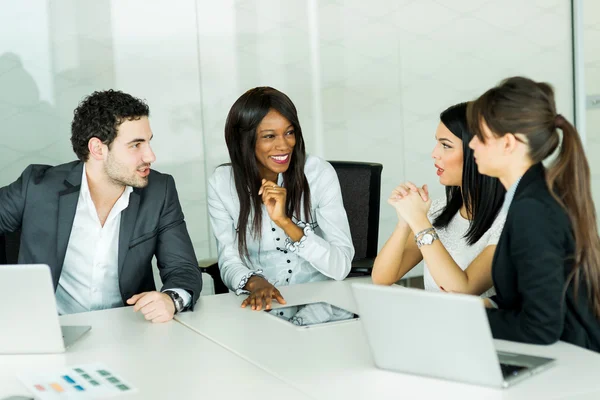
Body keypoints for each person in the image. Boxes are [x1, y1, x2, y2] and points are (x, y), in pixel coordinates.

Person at [0, 90, 202, 322]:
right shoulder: (37, 187)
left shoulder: (160, 190)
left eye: (148, 142)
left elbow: (183, 269)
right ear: (98, 149)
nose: (150, 156)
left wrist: (171, 300)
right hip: (51, 329)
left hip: (129, 330)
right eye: (136, 145)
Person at [467, 76, 600, 351]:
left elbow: (541, 326)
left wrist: (464, 318)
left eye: (480, 137)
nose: (472, 145)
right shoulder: (532, 194)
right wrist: (486, 305)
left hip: (573, 364)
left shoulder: (532, 209)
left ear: (508, 143)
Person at [207, 87, 354, 316]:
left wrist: (286, 223)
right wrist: (255, 282)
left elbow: (340, 267)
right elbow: (229, 260)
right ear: (245, 141)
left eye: (289, 132)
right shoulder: (222, 184)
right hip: (259, 306)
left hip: (320, 305)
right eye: (269, 136)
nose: (284, 145)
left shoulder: (319, 174)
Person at [372, 102, 505, 296]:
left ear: (477, 151)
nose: (434, 154)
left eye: (446, 145)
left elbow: (463, 290)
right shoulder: (439, 212)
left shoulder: (508, 220)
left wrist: (419, 222)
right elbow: (381, 278)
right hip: (436, 323)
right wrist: (405, 222)